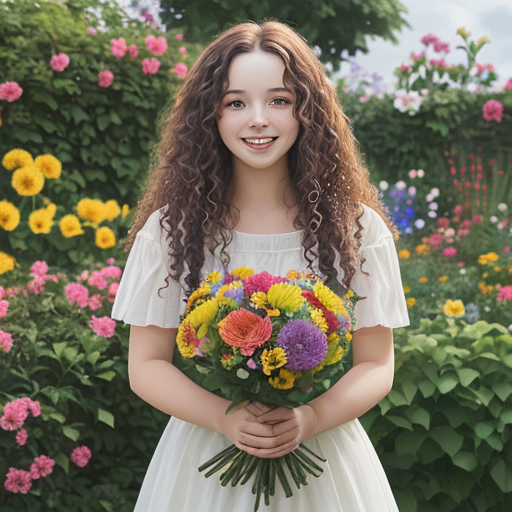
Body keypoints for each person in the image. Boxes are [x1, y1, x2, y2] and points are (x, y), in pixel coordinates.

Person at [112, 20, 409, 512]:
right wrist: (225, 418)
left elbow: (377, 363)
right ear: (210, 114)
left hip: (326, 461)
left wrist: (310, 419)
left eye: (279, 100)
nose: (257, 119)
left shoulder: (358, 229)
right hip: (204, 460)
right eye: (235, 102)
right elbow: (145, 365)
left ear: (307, 110)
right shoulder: (172, 230)